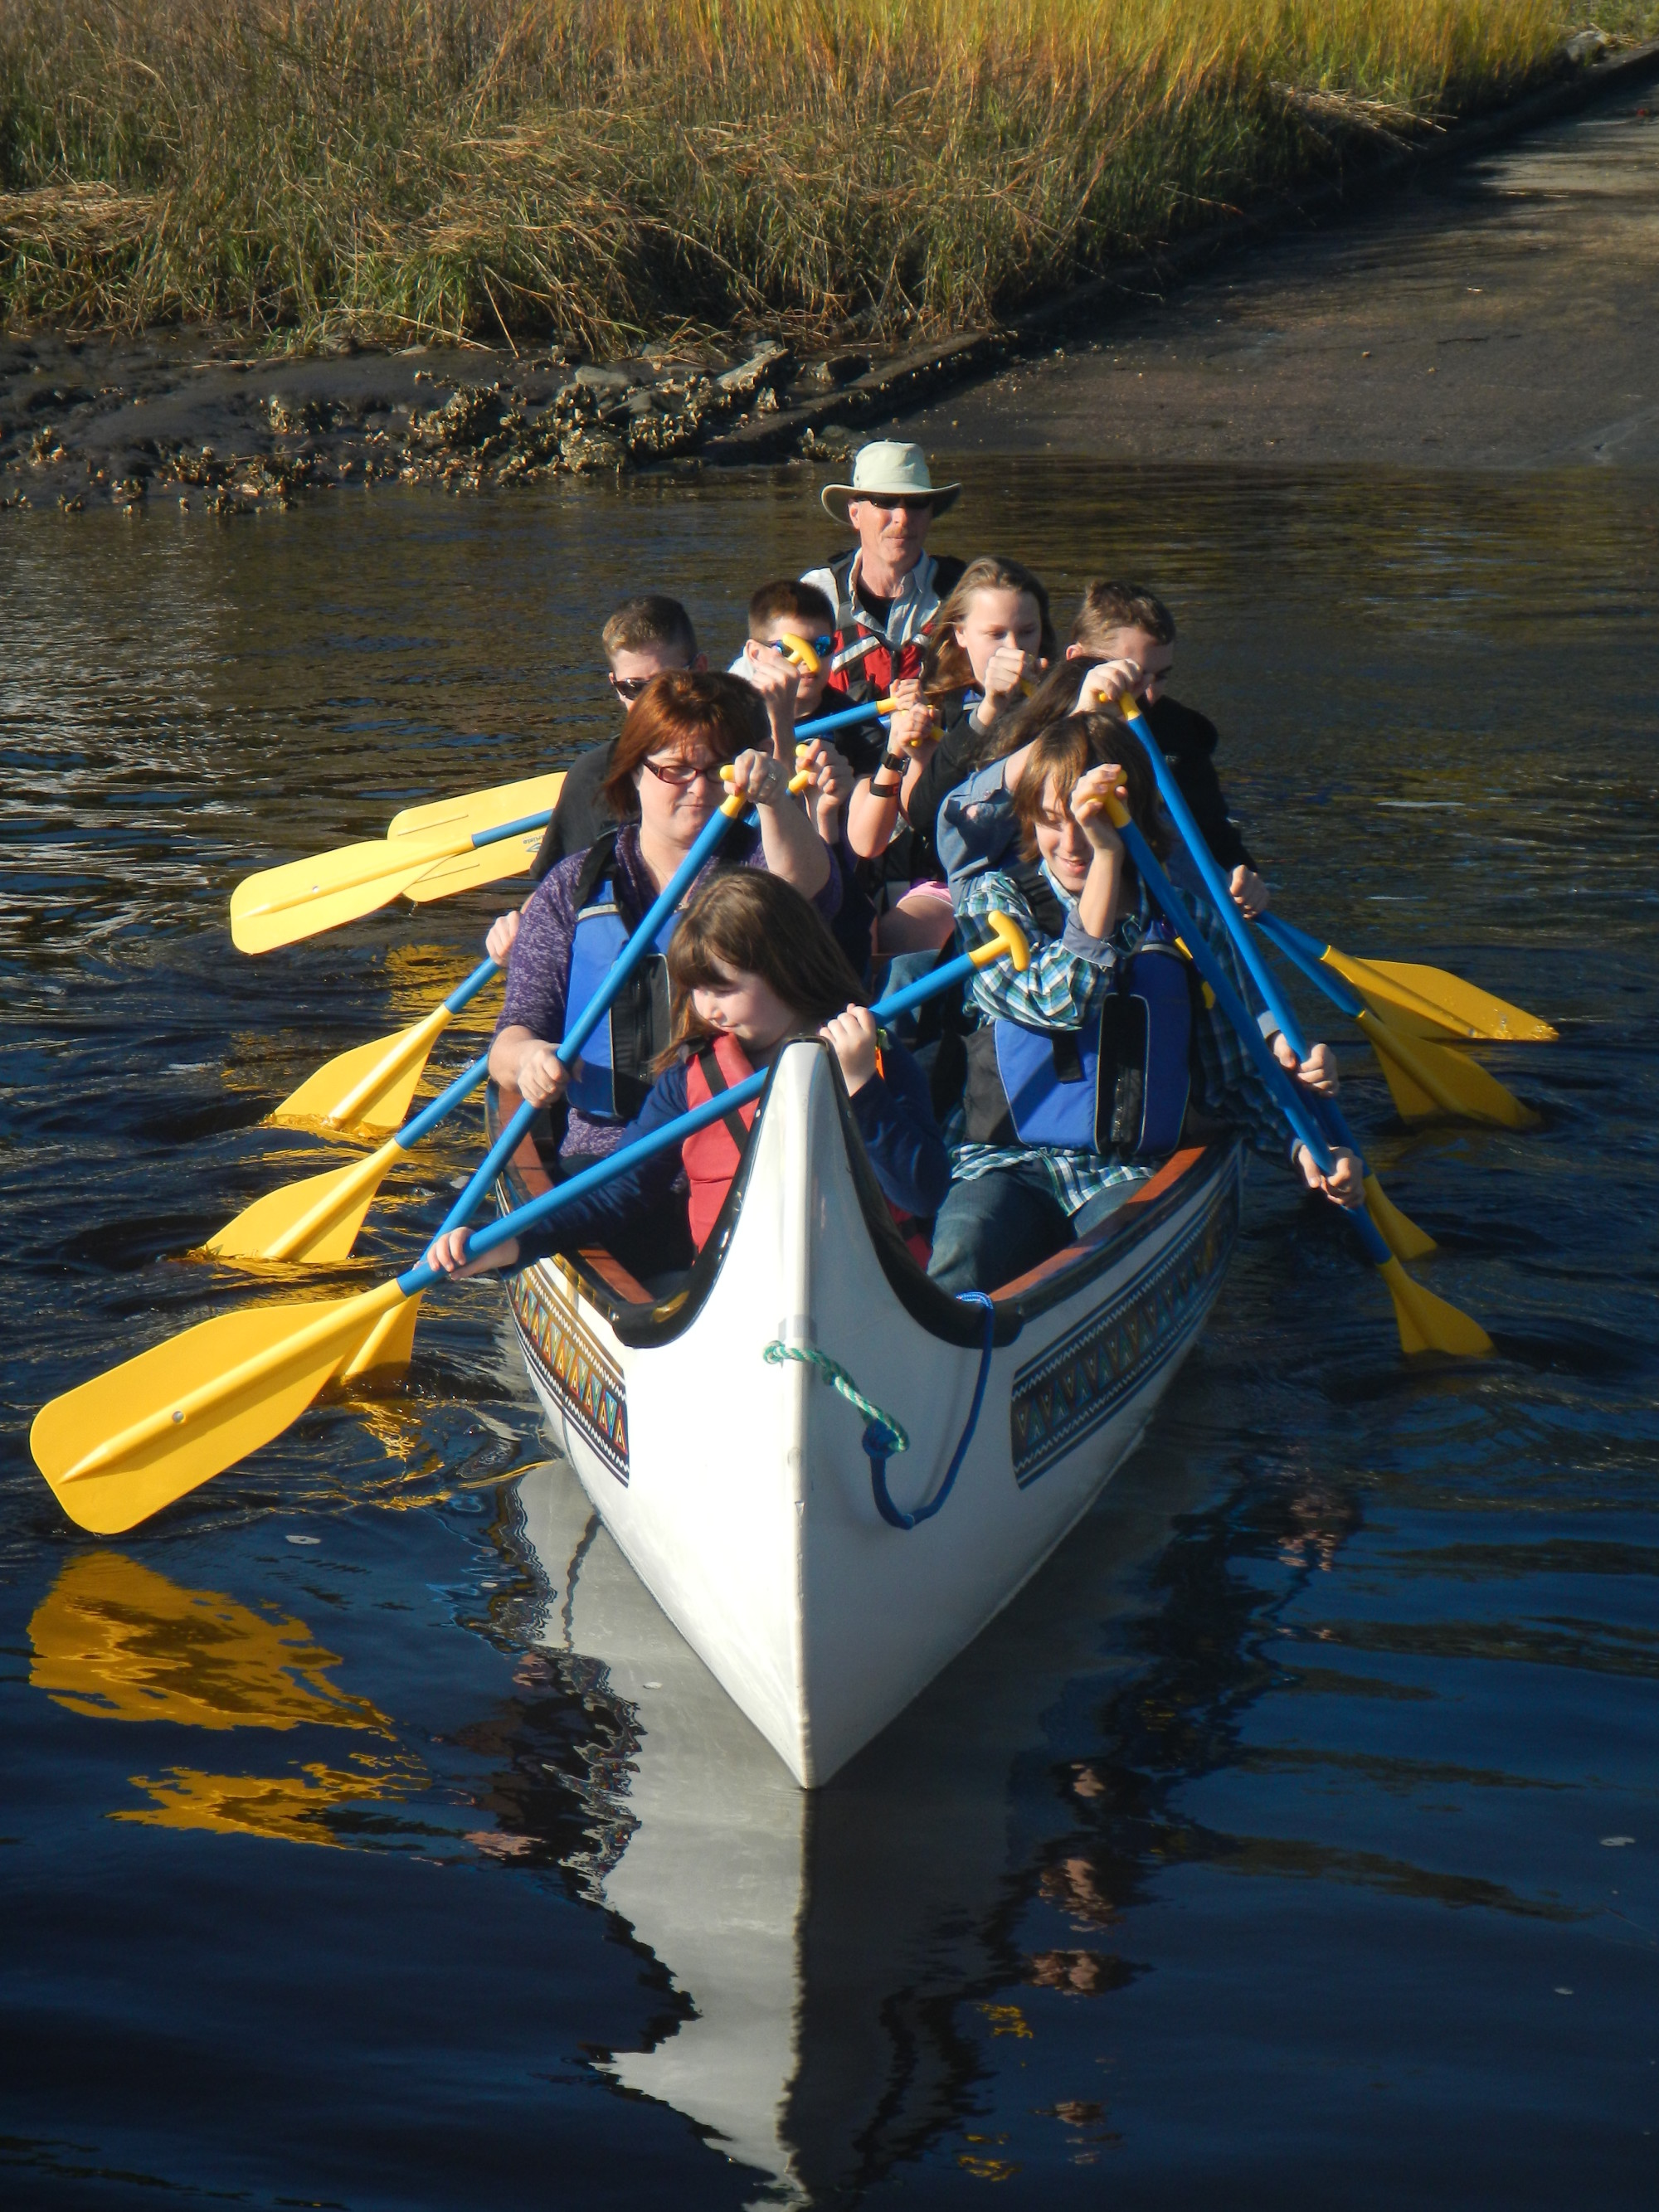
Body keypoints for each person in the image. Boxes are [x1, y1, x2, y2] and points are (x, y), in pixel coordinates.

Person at [927, 714, 1359, 1298]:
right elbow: (1058, 1003)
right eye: (1054, 822)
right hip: (1004, 1160)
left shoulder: (1189, 924)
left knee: (1112, 1265)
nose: (1073, 844)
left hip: (1126, 1171)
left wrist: (1304, 1143)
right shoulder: (996, 904)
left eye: (1094, 823)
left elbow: (1232, 1083)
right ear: (1028, 818)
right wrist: (1106, 859)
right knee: (962, 1248)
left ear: (1136, 818)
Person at [426, 872, 947, 1285]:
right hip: (738, 1294)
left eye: (723, 989)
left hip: (872, 1291)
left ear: (786, 966)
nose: (707, 1010)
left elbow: (924, 1193)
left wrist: (862, 1089)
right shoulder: (688, 1083)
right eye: (697, 990)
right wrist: (512, 1241)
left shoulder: (874, 1057)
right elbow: (617, 1192)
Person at [484, 673, 840, 1277]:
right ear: (633, 772)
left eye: (715, 769)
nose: (698, 790)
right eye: (674, 769)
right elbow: (510, 1038)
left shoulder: (758, 868)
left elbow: (804, 883)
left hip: (741, 1158)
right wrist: (530, 1062)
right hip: (607, 1164)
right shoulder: (572, 885)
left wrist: (777, 799)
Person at [913, 581, 1269, 918]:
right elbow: (950, 824)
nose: (1145, 695)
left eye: (1160, 677)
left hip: (1147, 915)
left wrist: (1243, 877)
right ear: (1078, 659)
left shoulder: (1179, 733)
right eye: (1128, 674)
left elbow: (1209, 836)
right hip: (1043, 920)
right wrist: (1080, 720)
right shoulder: (1026, 722)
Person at [849, 556, 1058, 893]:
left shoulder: (1061, 698)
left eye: (1027, 632)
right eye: (995, 635)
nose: (1014, 649)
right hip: (960, 880)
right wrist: (989, 708)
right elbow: (922, 815)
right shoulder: (938, 706)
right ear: (960, 633)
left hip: (1047, 871)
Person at [801, 440, 966, 763]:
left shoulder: (965, 595)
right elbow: (751, 682)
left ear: (931, 512)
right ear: (855, 513)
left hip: (934, 769)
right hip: (837, 772)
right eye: (885, 502)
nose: (903, 518)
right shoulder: (815, 594)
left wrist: (938, 705)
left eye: (917, 504)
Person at [528, 595, 707, 880]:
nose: (651, 702)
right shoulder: (591, 776)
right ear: (615, 686)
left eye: (665, 683)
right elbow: (557, 895)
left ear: (700, 671)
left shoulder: (742, 753)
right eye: (634, 688)